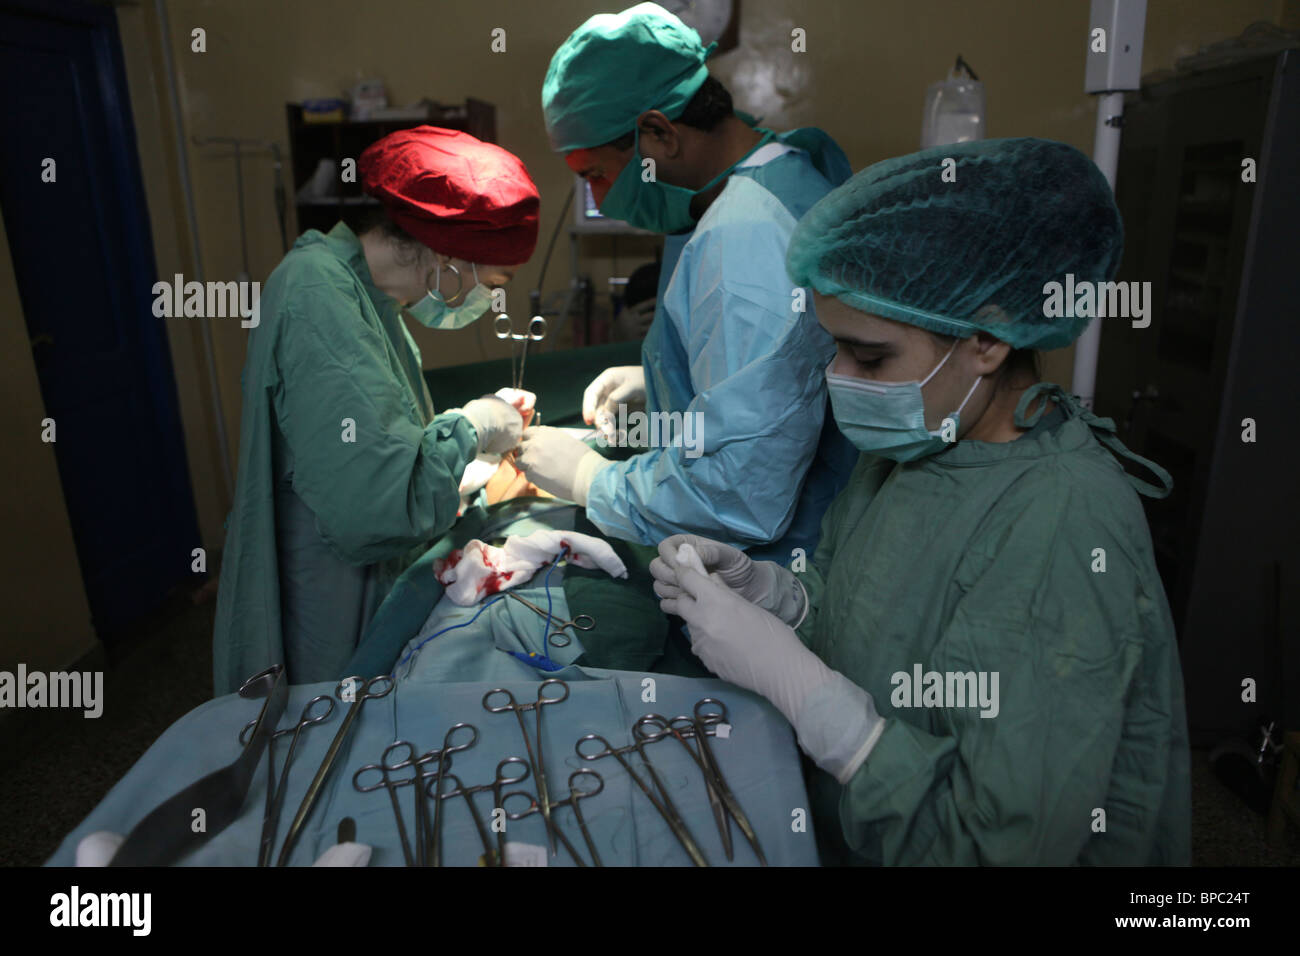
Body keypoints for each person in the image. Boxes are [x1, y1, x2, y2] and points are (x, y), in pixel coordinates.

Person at [650, 138, 1192, 865]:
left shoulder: (1062, 525)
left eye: (870, 357)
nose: (841, 377)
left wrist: (817, 704)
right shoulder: (917, 444)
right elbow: (870, 605)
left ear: (987, 339)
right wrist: (776, 598)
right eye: (832, 348)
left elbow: (997, 848)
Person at [516, 2, 858, 564]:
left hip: (774, 579)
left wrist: (590, 480)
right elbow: (790, 367)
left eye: (595, 175)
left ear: (658, 133)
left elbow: (742, 492)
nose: (600, 201)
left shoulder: (743, 235)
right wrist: (671, 376)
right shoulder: (784, 164)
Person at [213, 126, 540, 694]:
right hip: (330, 592)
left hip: (366, 570)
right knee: (327, 741)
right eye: (491, 281)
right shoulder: (317, 294)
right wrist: (476, 423)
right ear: (445, 253)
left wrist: (461, 467)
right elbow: (379, 504)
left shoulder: (368, 294)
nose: (486, 297)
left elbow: (379, 445)